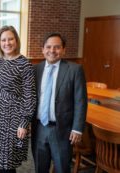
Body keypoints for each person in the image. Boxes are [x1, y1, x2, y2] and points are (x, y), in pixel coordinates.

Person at [31, 32, 88, 173]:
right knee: (40, 167)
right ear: (42, 49)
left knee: (62, 168)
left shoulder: (74, 70)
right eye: (48, 47)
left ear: (63, 50)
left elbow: (80, 101)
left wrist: (77, 128)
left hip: (62, 130)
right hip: (39, 128)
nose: (52, 51)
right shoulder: (35, 69)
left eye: (57, 47)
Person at [0, 26, 36, 173]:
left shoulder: (25, 64)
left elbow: (30, 97)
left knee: (8, 162)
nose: (7, 43)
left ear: (16, 40)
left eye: (10, 39)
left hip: (14, 118)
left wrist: (24, 123)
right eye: (3, 40)